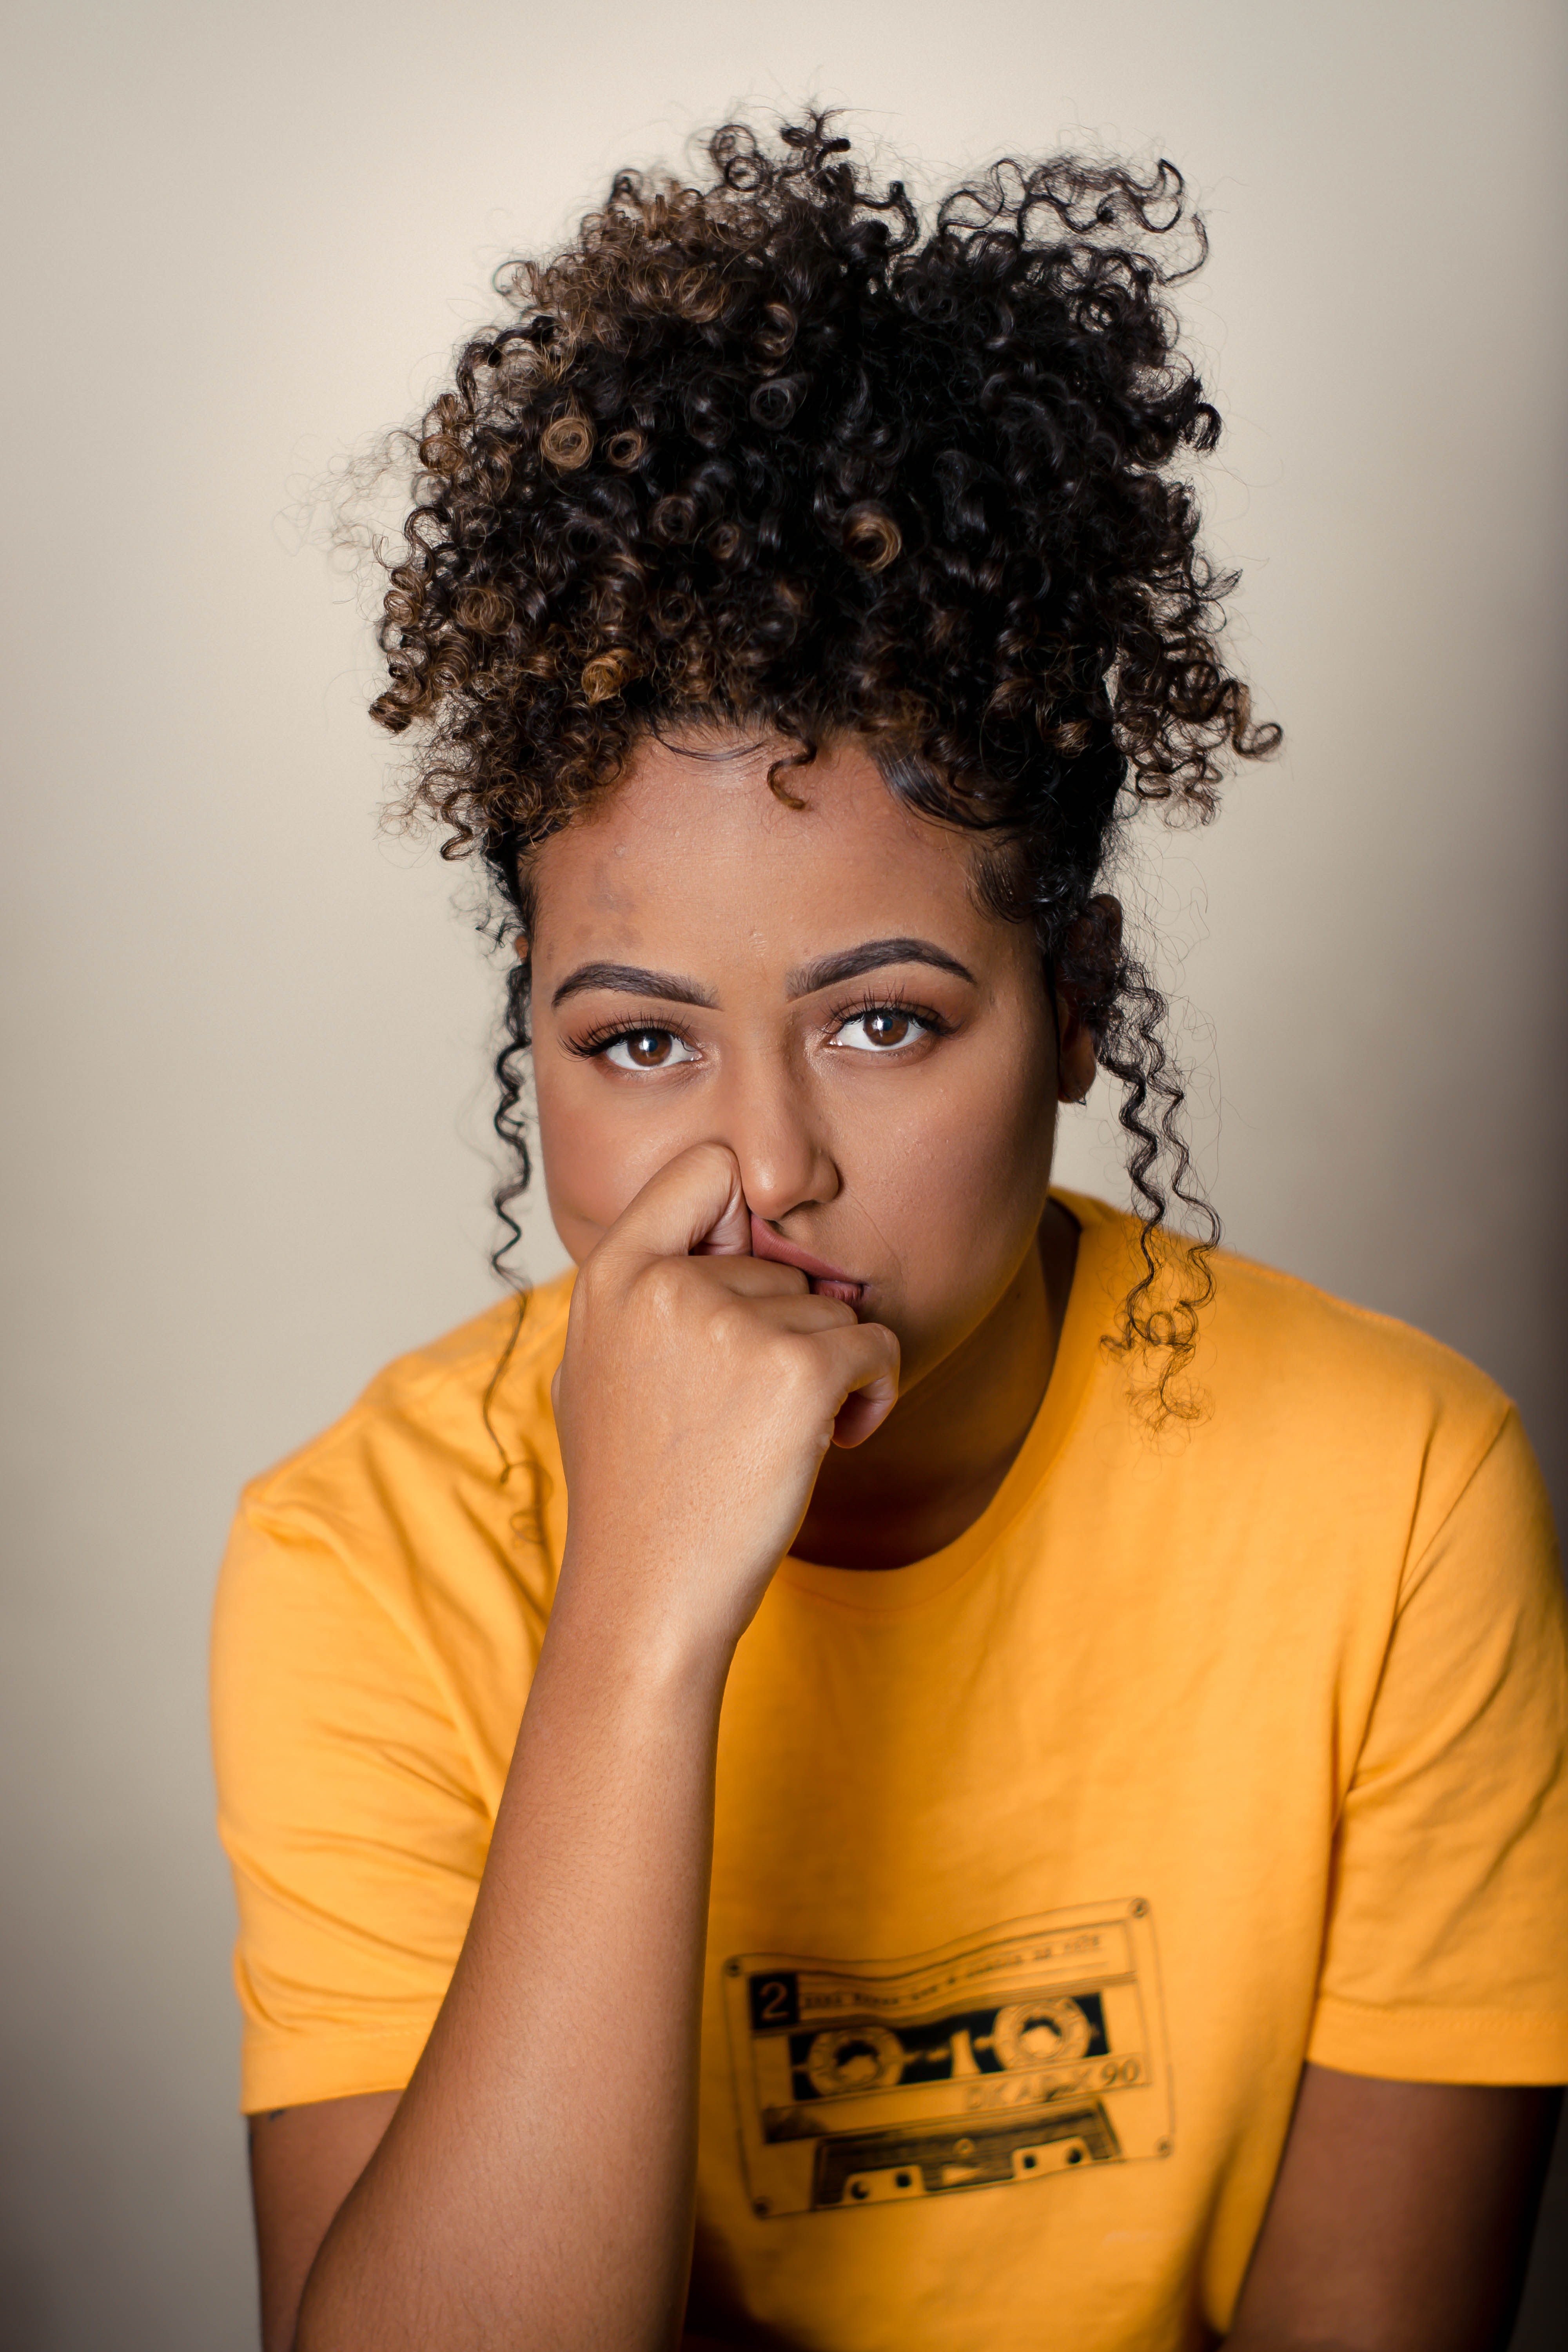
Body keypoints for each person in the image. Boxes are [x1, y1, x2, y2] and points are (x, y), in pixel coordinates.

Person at [212, 116, 1568, 2352]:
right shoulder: (365, 1559)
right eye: (641, 1043)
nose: (767, 1168)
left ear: (1078, 1012)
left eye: (884, 1022)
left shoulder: (1398, 1497)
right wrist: (633, 1635)